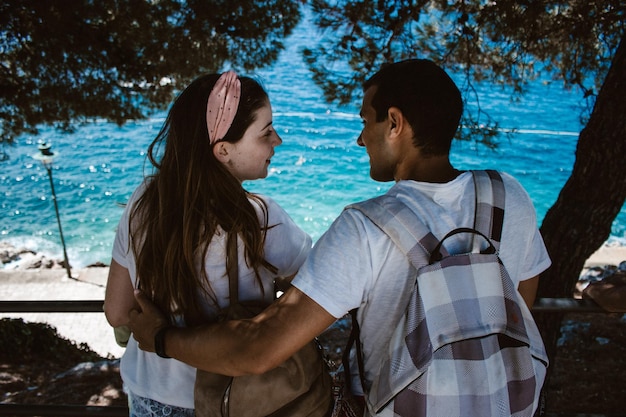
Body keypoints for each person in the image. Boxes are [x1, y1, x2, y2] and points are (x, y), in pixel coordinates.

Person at [128, 59, 551, 416]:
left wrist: (161, 339)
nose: (359, 137)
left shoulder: (365, 228)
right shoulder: (508, 195)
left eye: (365, 121)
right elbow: (519, 300)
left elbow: (257, 349)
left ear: (394, 123)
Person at [104, 71, 312, 416]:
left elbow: (116, 311)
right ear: (224, 150)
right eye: (266, 132)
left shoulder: (144, 201)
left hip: (150, 397)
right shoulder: (259, 219)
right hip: (232, 398)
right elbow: (317, 291)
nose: (277, 140)